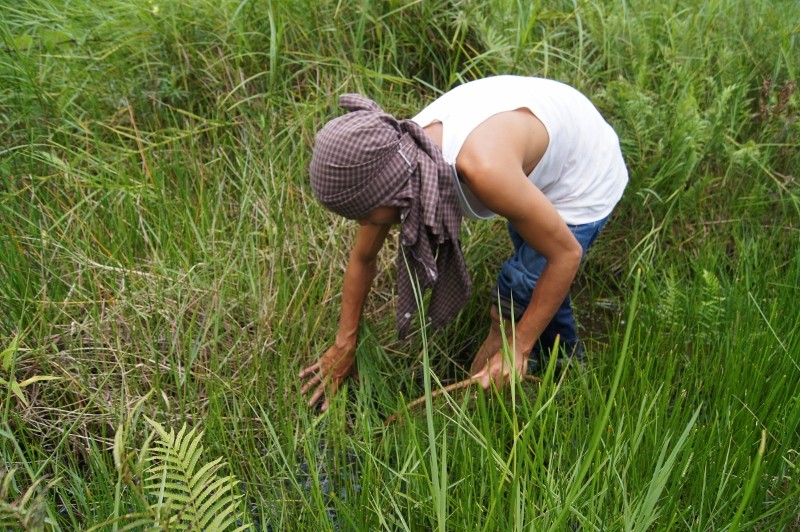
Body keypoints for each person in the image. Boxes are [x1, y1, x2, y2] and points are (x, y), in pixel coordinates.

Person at [300, 75, 628, 411]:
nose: (363, 224)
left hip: (584, 170)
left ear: (391, 191)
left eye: (366, 214)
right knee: (532, 276)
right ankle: (559, 361)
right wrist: (345, 343)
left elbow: (566, 254)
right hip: (541, 137)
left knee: (516, 293)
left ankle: (542, 384)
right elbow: (362, 258)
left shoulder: (484, 171)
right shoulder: (394, 158)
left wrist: (518, 347)